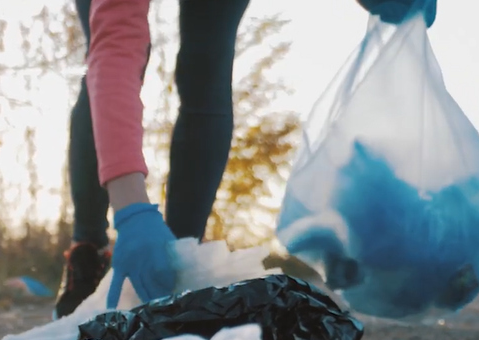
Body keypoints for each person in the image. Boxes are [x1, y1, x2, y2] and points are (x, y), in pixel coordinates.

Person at [53, 0, 440, 318]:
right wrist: (131, 209)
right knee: (108, 60)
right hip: (115, 40)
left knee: (206, 65)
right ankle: (88, 251)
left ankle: (178, 265)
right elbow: (115, 48)